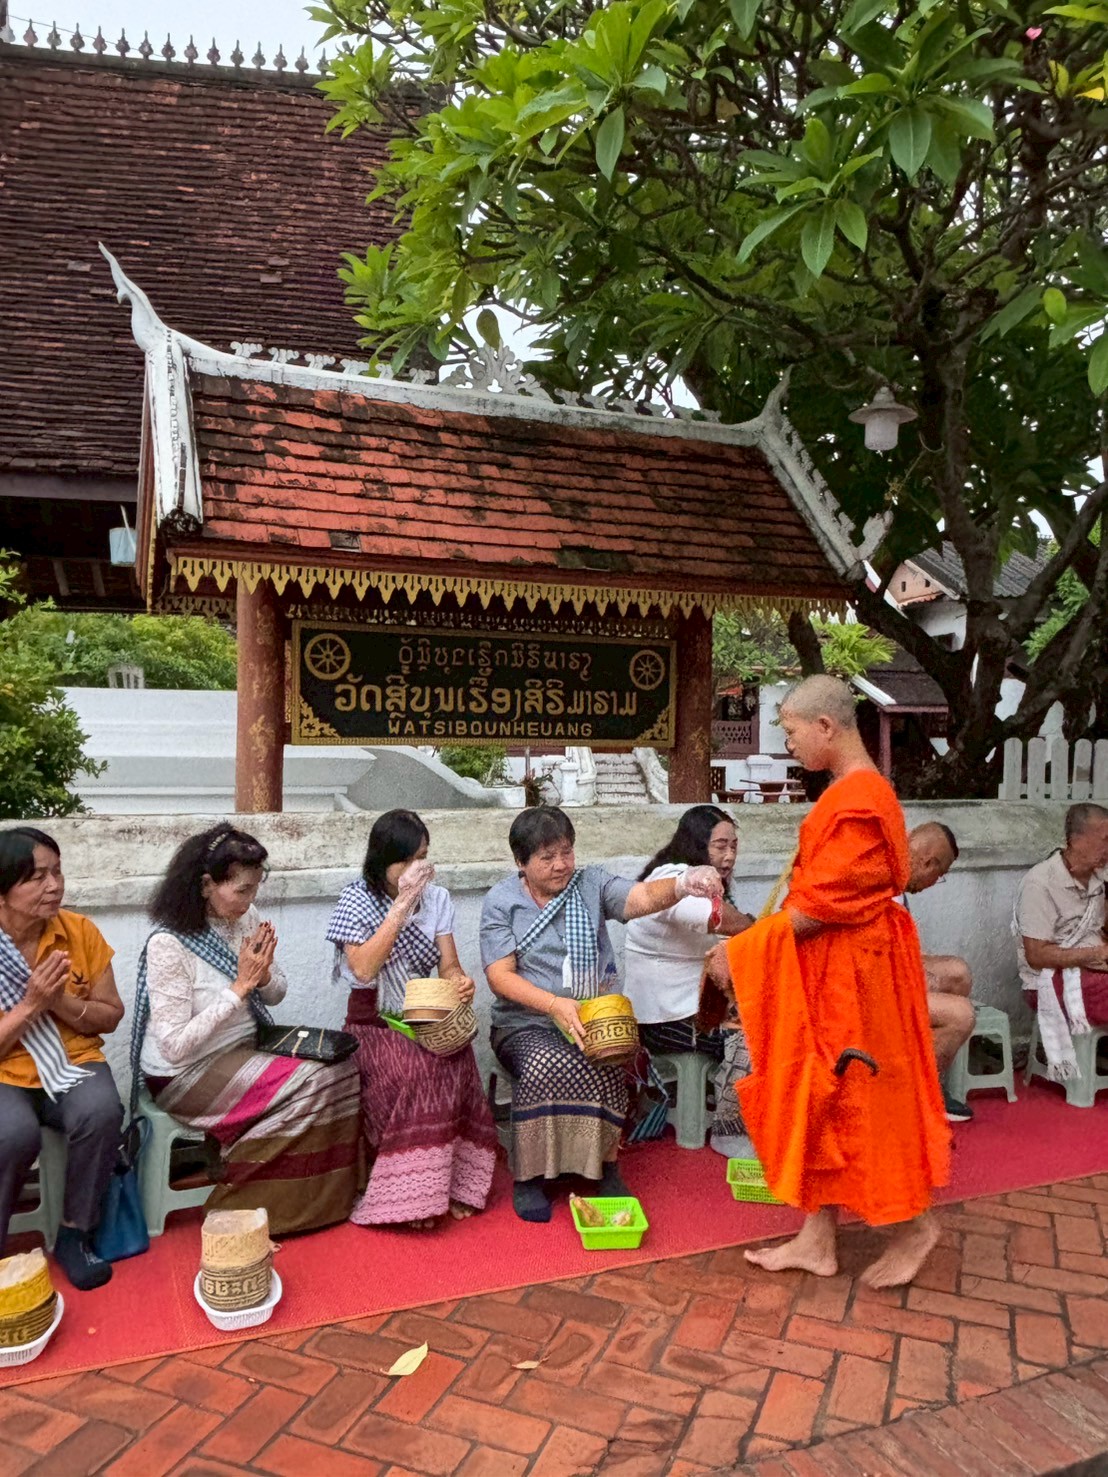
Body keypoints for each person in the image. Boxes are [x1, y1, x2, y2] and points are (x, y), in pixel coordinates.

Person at [706, 676, 950, 1288]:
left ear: (826, 727)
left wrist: (740, 952)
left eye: (789, 731)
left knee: (858, 1096)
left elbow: (817, 911)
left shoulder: (864, 800)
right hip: (833, 971)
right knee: (821, 1094)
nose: (787, 743)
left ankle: (915, 1227)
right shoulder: (848, 793)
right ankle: (818, 1239)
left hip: (857, 977)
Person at [481, 806, 722, 1223]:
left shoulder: (590, 883)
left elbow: (642, 897)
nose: (561, 865)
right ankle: (531, 1177)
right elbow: (499, 977)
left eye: (566, 852)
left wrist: (684, 883)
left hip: (594, 1017)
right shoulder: (502, 902)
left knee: (611, 1057)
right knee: (545, 1063)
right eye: (547, 857)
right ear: (521, 863)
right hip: (526, 1023)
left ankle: (605, 1166)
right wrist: (555, 1004)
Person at [136, 824, 361, 1235]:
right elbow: (173, 1046)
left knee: (342, 1071)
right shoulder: (169, 945)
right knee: (312, 1082)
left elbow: (275, 993)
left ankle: (320, 1201)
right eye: (241, 890)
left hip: (241, 1050)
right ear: (206, 885)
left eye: (255, 889)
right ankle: (245, 1202)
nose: (250, 900)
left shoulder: (247, 918)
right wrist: (239, 988)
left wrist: (260, 977)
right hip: (183, 1073)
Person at [326, 809, 497, 1229]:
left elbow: (449, 966)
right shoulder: (356, 899)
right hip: (375, 1023)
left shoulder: (437, 898)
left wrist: (460, 982)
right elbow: (364, 969)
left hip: (426, 1017)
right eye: (405, 860)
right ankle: (406, 1196)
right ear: (382, 861)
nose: (416, 869)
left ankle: (453, 1183)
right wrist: (401, 904)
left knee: (458, 1060)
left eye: (422, 857)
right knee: (416, 1072)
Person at [0, 827, 124, 1290]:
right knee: (10, 1133)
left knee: (101, 1109)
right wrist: (31, 1003)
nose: (54, 885)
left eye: (57, 872)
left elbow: (111, 1014)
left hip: (72, 1061)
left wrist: (59, 1003)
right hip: (6, 1070)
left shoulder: (78, 932)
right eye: (36, 877)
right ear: (4, 889)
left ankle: (76, 1234)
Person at [624, 806, 755, 1150]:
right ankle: (734, 1129)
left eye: (734, 847)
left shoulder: (708, 882)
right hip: (664, 1020)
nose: (729, 856)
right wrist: (760, 926)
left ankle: (744, 1115)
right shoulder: (674, 876)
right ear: (697, 845)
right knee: (757, 1037)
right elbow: (713, 919)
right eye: (720, 846)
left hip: (686, 1011)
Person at [1015, 802, 1108, 1082]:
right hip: (1049, 979)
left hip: (1096, 967)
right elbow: (1036, 955)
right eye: (1105, 839)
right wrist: (1094, 954)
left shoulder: (1101, 877)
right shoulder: (1041, 882)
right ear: (1076, 839)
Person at [904, 821, 976, 1123]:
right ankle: (915, 1096)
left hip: (890, 968)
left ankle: (923, 1071)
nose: (936, 881)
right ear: (928, 862)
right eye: (940, 874)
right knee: (961, 1014)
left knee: (958, 972)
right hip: (866, 986)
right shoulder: (880, 874)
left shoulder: (898, 880)